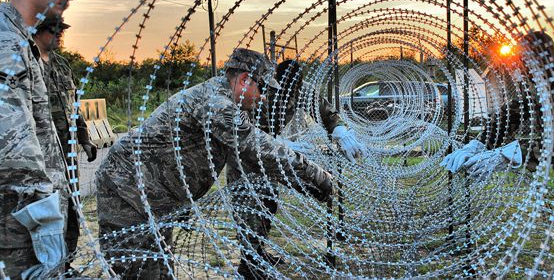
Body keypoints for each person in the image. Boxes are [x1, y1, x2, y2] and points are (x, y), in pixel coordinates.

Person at [95, 48, 333, 279]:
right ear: (244, 79)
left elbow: (255, 156)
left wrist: (302, 180)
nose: (262, 97)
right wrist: (316, 176)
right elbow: (257, 146)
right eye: (261, 88)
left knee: (159, 270)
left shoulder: (228, 102)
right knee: (141, 271)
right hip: (127, 192)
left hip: (153, 198)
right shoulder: (216, 104)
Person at [442, 31, 554, 279]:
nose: (520, 64)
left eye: (525, 58)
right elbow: (510, 115)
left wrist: (508, 155)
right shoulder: (537, 84)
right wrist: (476, 144)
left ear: (541, 57)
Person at [229, 58, 366, 279]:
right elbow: (241, 126)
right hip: (245, 155)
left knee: (268, 202)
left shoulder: (301, 91)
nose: (289, 91)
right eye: (285, 85)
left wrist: (339, 129)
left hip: (271, 155)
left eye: (294, 86)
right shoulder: (259, 90)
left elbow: (326, 112)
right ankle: (249, 265)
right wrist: (279, 144)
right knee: (249, 208)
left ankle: (258, 252)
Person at [0, 0, 87, 278]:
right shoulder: (7, 42)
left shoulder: (21, 40)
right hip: (18, 225)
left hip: (25, 220)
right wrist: (45, 221)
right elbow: (14, 147)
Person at [33, 14, 97, 272]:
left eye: (61, 31)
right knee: (48, 211)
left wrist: (85, 138)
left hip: (68, 151)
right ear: (38, 31)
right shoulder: (28, 65)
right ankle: (48, 267)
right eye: (54, 30)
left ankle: (66, 263)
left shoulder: (61, 65)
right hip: (42, 154)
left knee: (72, 208)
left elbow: (74, 107)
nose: (59, 35)